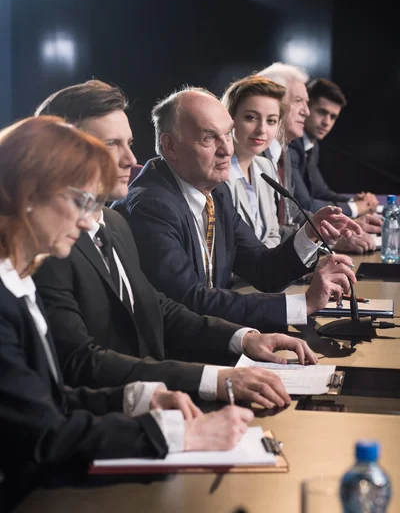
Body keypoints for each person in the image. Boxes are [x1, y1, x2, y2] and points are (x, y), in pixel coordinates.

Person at [0, 115, 255, 509]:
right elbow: (45, 436)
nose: (87, 220)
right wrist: (181, 436)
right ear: (29, 194)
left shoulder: (19, 280)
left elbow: (45, 401)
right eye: (79, 201)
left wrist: (138, 398)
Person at [34, 80, 318, 412]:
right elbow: (80, 363)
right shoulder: (48, 247)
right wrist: (211, 380)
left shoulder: (113, 224)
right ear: (60, 155)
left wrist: (244, 338)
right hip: (111, 414)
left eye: (129, 143)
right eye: (111, 145)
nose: (130, 159)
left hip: (157, 394)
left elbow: (159, 308)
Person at [113, 85, 360, 330]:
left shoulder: (217, 192)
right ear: (170, 146)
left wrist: (310, 234)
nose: (227, 149)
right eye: (209, 137)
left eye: (228, 134)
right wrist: (302, 304)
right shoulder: (151, 206)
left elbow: (263, 270)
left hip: (215, 335)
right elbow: (189, 302)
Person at [258, 64, 381, 253]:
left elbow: (300, 209)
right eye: (299, 101)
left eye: (333, 117)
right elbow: (269, 231)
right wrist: (329, 237)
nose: (306, 112)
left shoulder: (286, 152)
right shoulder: (276, 152)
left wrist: (340, 225)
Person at [289, 77, 379, 218]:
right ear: (306, 108)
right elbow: (304, 205)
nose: (327, 122)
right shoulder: (291, 145)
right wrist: (355, 208)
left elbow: (322, 193)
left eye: (333, 117)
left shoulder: (312, 145)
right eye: (322, 112)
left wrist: (355, 201)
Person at [223, 75, 284, 248]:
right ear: (229, 119)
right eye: (251, 117)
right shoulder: (215, 174)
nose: (262, 129)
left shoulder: (266, 167)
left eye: (271, 121)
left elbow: (273, 235)